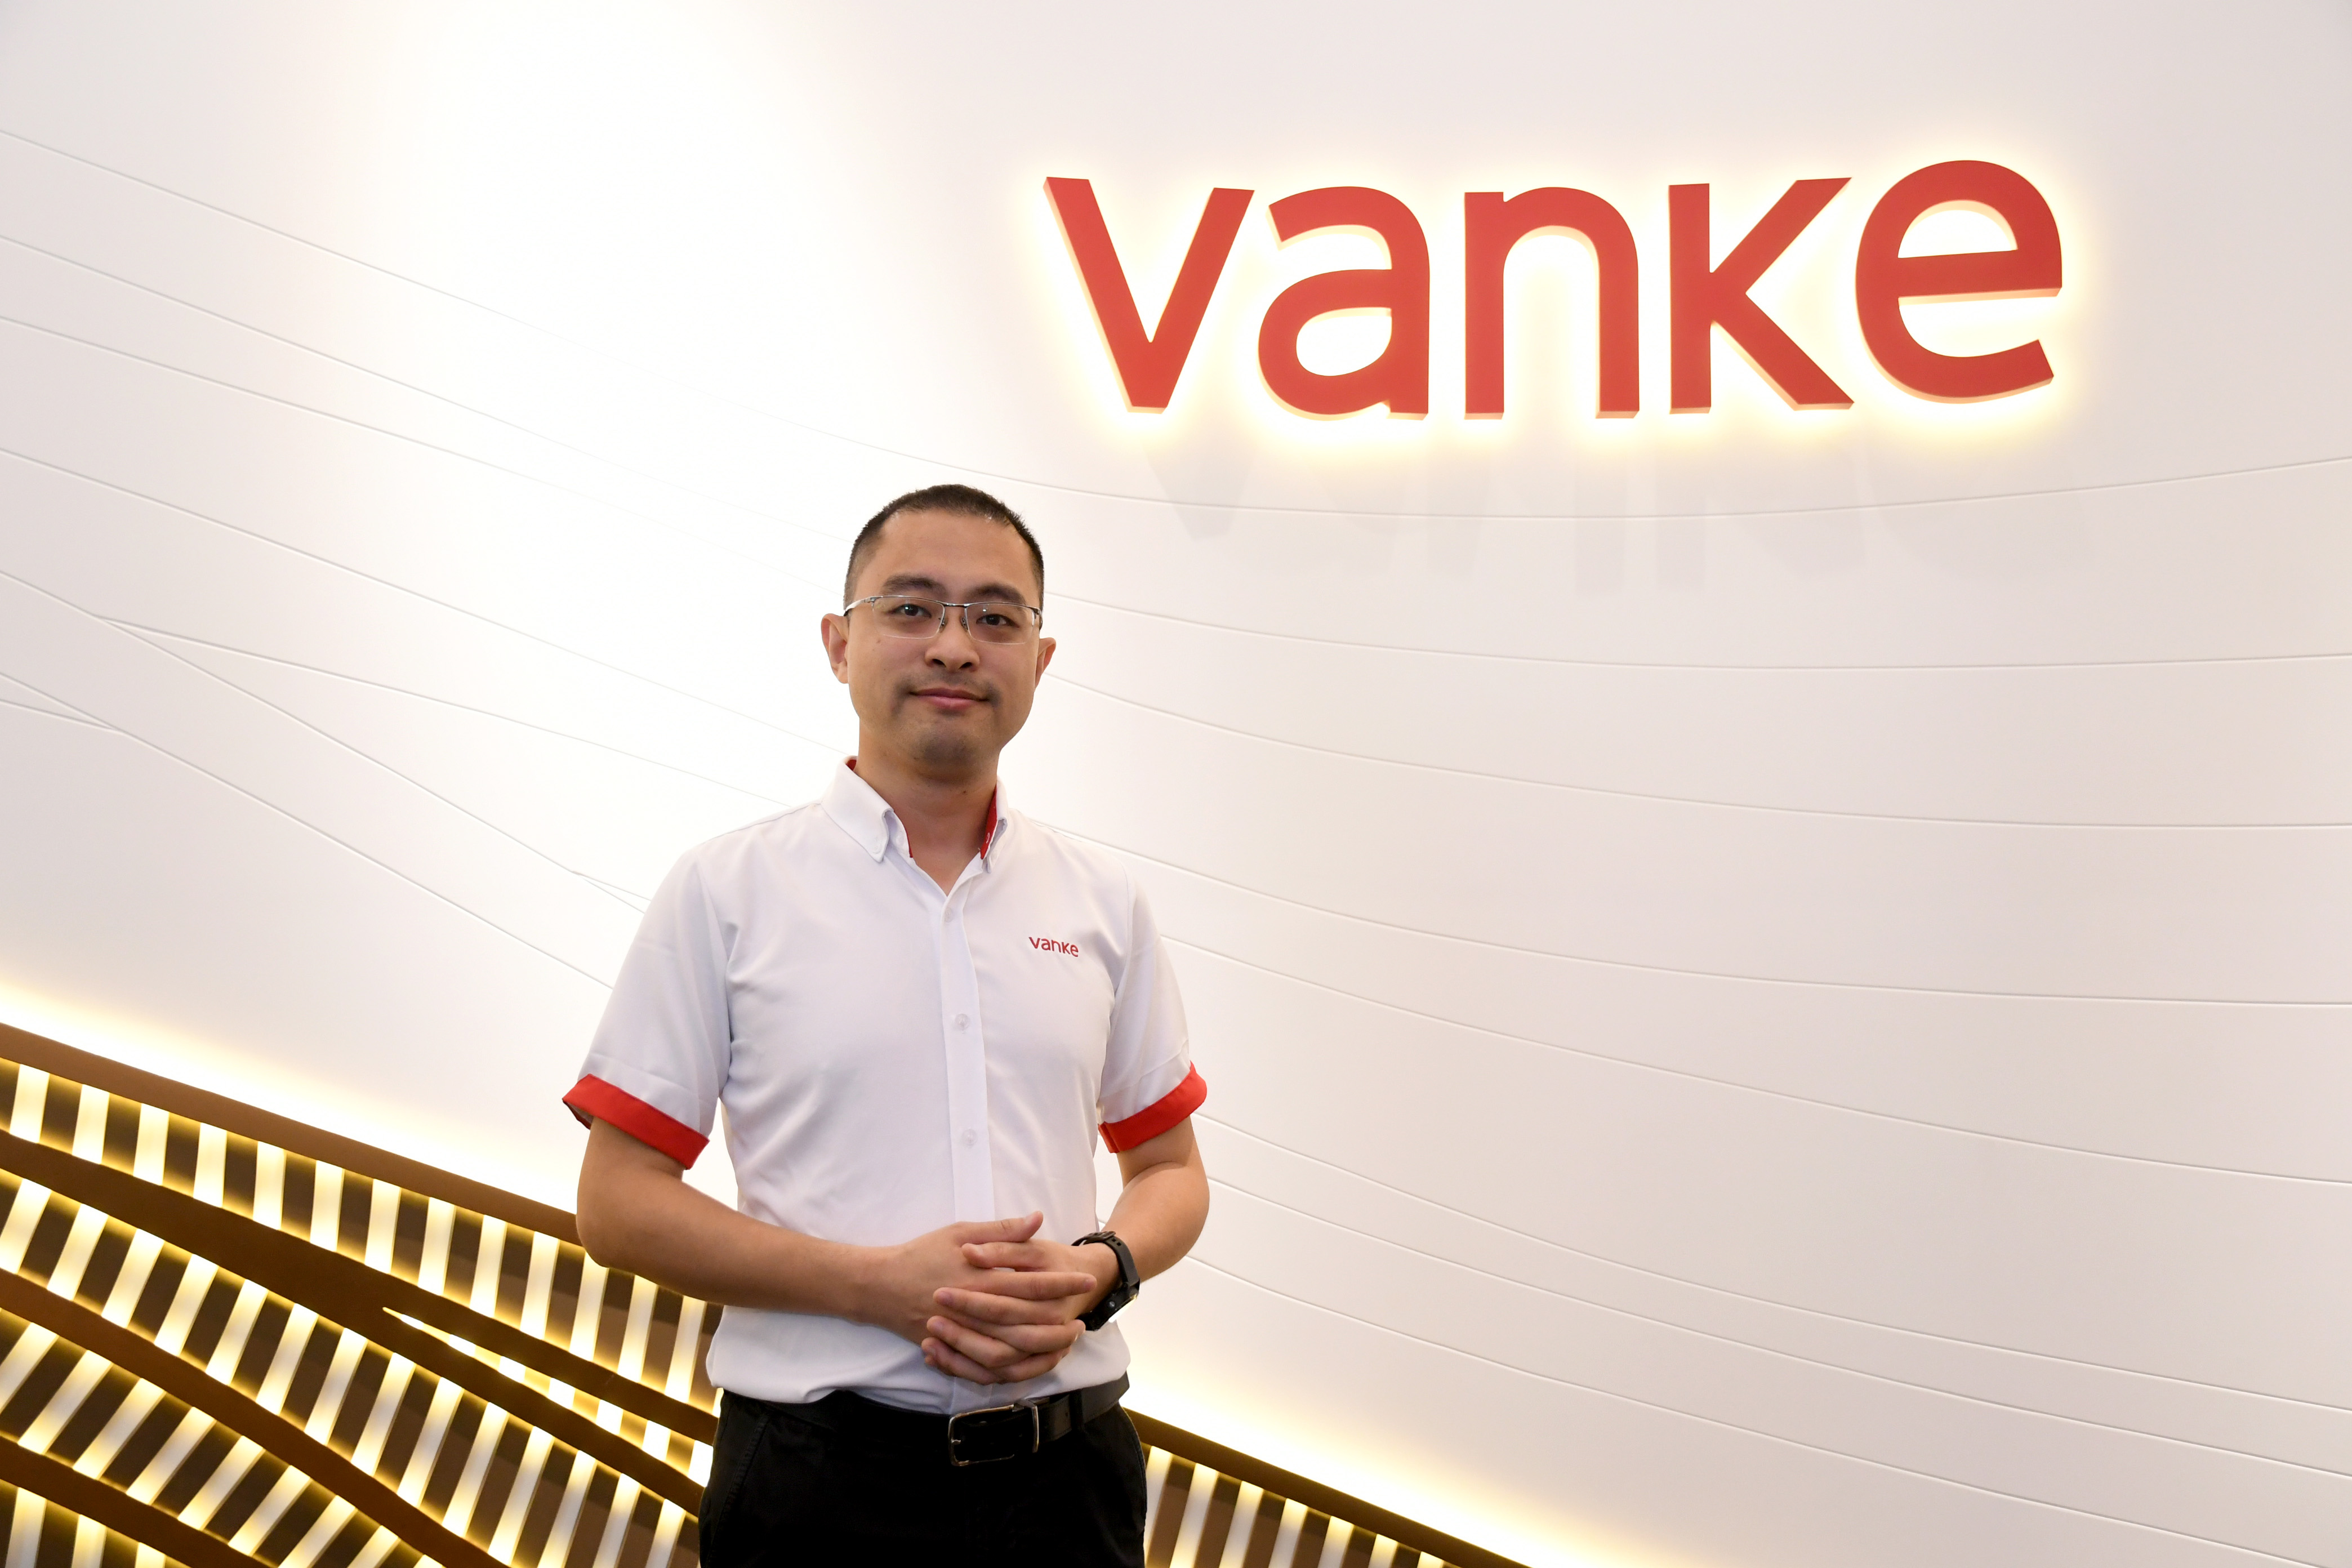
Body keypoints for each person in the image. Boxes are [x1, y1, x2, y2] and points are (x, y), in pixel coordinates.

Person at [563, 484, 1210, 1566]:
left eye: (995, 617)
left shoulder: (1102, 902)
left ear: (1040, 661)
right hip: (818, 1487)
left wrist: (1102, 1269)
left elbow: (1173, 1170)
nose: (955, 646)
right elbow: (618, 1204)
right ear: (838, 643)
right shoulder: (727, 891)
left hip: (1069, 1488)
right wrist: (872, 1289)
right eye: (912, 609)